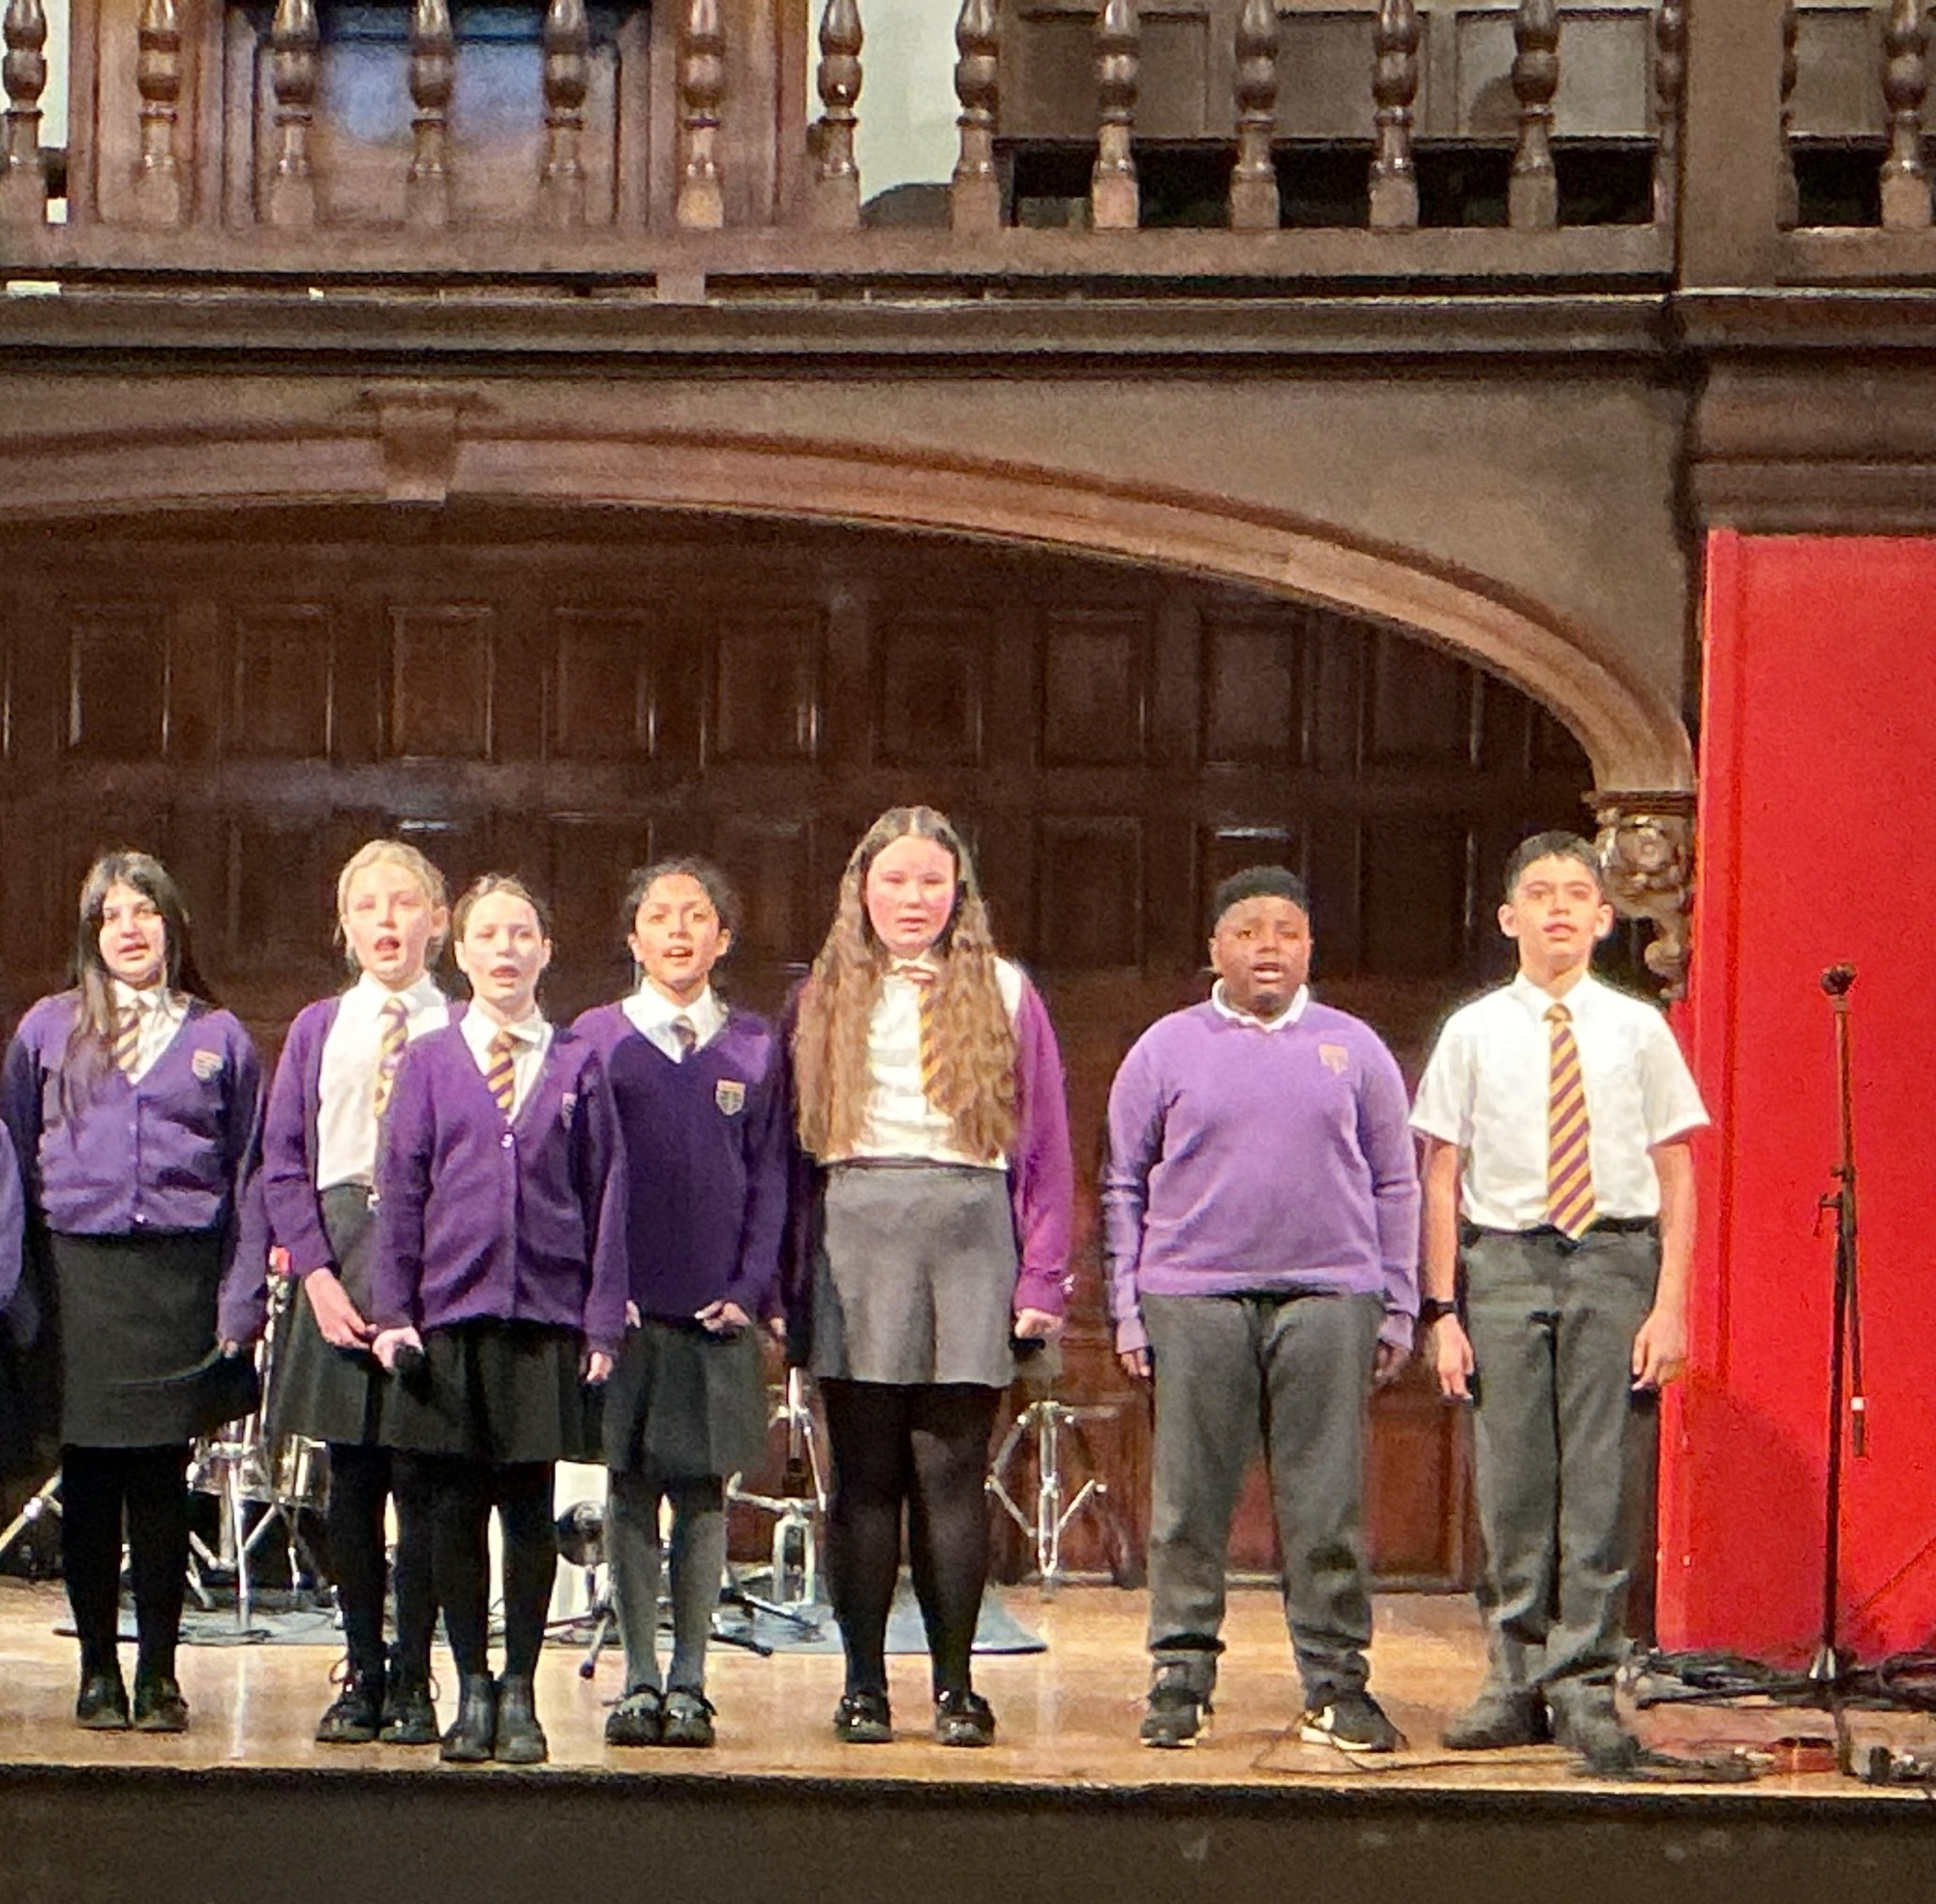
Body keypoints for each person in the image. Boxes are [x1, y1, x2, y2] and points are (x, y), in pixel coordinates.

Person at [1102, 866, 1419, 1754]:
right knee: (1190, 1501)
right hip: (1193, 1294)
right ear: (1215, 948)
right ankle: (1181, 1675)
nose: (1267, 945)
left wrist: (1397, 1304)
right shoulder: (1165, 1047)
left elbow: (1396, 1179)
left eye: (1285, 929)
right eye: (1247, 930)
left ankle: (1335, 1684)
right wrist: (1128, 1308)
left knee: (1327, 1505)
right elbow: (1122, 1181)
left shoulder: (1354, 1048)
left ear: (1310, 944)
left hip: (1330, 1295)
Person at [1409, 831, 1708, 1774]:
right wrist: (1439, 1307)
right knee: (1511, 1483)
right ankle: (1512, 1677)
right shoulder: (1472, 1030)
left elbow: (1675, 1170)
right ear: (1507, 917)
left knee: (1598, 1483)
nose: (1557, 910)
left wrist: (1668, 1303)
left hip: (1610, 1261)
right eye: (1537, 893)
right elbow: (1439, 1173)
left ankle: (1584, 1682)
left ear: (1602, 916)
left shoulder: (1635, 1029)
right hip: (1501, 1266)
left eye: (1575, 894)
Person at [790, 805, 1074, 1748]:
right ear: (860, 890)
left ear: (958, 894)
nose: (911, 899)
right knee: (864, 1479)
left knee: (950, 1476)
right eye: (893, 881)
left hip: (965, 1233)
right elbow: (788, 1156)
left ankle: (955, 1686)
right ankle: (863, 1685)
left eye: (930, 883)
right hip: (853, 1239)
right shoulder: (823, 992)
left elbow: (1044, 1146)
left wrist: (1042, 1276)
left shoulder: (1002, 987)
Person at [0, 850, 264, 1733]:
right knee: (90, 1478)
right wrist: (24, 1296)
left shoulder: (219, 1036)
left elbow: (249, 1175)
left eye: (145, 911)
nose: (130, 928)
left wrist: (238, 1299)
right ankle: (96, 1671)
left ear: (171, 924)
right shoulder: (47, 1028)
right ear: (92, 932)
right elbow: (12, 1161)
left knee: (161, 1479)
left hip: (177, 1283)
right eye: (112, 914)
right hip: (79, 1281)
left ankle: (159, 1671)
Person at [369, 876, 626, 1767]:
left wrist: (600, 1324)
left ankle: (520, 1689)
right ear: (463, 951)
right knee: (449, 1511)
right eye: (489, 934)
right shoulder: (432, 1059)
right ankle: (470, 1687)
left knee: (525, 1509)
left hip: (543, 1317)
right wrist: (392, 1312)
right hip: (450, 1318)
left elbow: (605, 1197)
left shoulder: (575, 1062)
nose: (507, 949)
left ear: (546, 950)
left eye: (524, 932)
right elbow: (400, 1193)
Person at [573, 858, 788, 1750]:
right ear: (632, 937)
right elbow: (578, 1177)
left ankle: (693, 1681)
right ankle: (638, 1678)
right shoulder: (595, 1038)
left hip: (715, 1315)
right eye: (659, 916)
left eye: (695, 916)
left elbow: (774, 1177)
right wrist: (598, 1289)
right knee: (628, 1492)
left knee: (703, 1496)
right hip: (625, 1313)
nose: (677, 931)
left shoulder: (756, 1047)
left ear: (722, 936)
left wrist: (749, 1290)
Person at [257, 839, 453, 1746]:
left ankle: (417, 1674)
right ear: (344, 925)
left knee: (422, 1481)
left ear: (437, 921)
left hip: (433, 1263)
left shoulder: (461, 1026)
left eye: (404, 902)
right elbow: (283, 1161)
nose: (386, 920)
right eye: (367, 904)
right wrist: (318, 1274)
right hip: (338, 1257)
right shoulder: (317, 1026)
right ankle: (362, 1666)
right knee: (352, 1480)